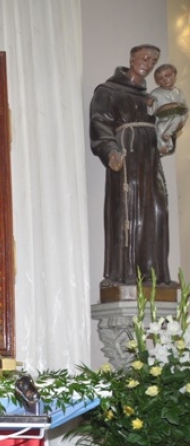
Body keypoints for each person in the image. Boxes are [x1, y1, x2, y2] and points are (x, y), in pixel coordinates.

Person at [90, 44, 172, 287]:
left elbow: (164, 127)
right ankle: (122, 275)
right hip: (126, 159)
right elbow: (99, 123)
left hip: (150, 160)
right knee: (127, 213)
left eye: (153, 61)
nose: (148, 64)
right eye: (144, 58)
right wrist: (110, 151)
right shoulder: (108, 91)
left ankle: (154, 276)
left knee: (157, 211)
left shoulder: (153, 98)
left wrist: (167, 138)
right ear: (131, 58)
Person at [148, 63, 189, 155]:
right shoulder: (155, 93)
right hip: (162, 117)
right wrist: (149, 105)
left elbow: (185, 108)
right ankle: (162, 147)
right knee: (159, 128)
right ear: (157, 81)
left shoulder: (178, 92)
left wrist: (183, 121)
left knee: (177, 119)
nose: (165, 80)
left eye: (167, 75)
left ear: (174, 74)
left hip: (176, 117)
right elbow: (150, 112)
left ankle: (169, 135)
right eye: (160, 78)